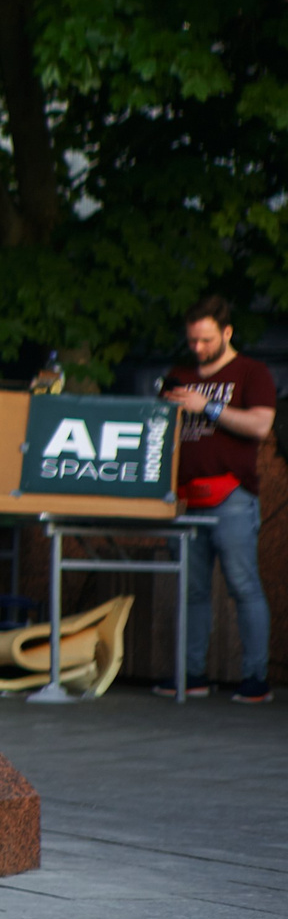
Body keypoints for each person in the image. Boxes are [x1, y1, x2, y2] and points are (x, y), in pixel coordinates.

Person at [160, 295, 276, 703]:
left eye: (206, 340)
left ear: (227, 333)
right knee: (191, 590)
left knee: (243, 585)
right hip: (186, 497)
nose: (197, 349)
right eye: (192, 340)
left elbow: (260, 425)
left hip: (232, 495)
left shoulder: (251, 372)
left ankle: (255, 677)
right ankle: (190, 673)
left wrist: (205, 405)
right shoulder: (179, 373)